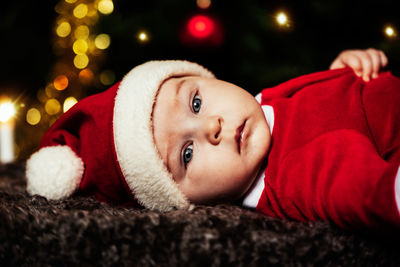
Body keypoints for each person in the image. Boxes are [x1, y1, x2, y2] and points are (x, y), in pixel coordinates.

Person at [26, 48, 400, 235]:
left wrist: (344, 72)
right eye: (187, 154)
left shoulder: (262, 103)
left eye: (196, 102)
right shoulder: (288, 178)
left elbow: (323, 102)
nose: (211, 128)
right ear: (186, 202)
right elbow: (361, 188)